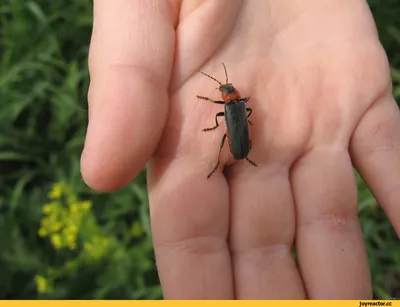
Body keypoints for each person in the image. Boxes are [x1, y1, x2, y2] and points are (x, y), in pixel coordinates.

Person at [80, 0, 399, 299]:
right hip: (242, 139)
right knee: (227, 137)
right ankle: (234, 153)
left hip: (240, 138)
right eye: (225, 89)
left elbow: (237, 116)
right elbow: (241, 116)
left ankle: (229, 154)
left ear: (229, 95)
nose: (226, 90)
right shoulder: (238, 106)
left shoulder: (233, 107)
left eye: (225, 89)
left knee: (225, 137)